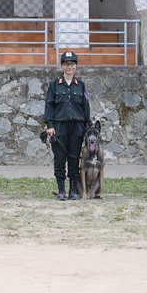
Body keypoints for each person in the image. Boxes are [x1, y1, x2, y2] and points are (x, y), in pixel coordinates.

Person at [44, 51, 91, 200]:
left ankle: (73, 191)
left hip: (76, 127)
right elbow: (49, 106)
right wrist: (50, 125)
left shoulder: (80, 85)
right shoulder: (55, 85)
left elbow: (85, 107)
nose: (69, 67)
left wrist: (87, 126)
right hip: (59, 127)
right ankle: (61, 190)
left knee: (74, 158)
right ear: (62, 66)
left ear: (76, 66)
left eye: (72, 64)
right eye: (66, 64)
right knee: (59, 159)